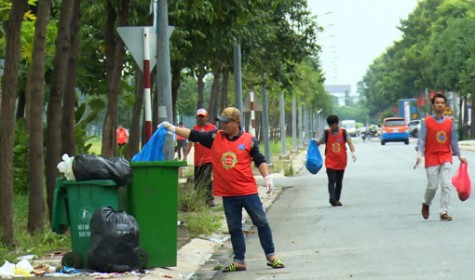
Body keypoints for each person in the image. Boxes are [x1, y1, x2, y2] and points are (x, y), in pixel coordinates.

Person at [160, 107, 284, 272]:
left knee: (261, 222)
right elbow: (194, 135)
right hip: (227, 194)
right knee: (234, 228)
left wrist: (267, 178)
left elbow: (260, 160)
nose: (223, 126)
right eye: (222, 122)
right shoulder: (215, 137)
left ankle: (271, 256)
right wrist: (173, 128)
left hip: (248, 191)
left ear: (236, 123)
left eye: (226, 122)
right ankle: (239, 260)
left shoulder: (249, 140)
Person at [416, 93, 467, 221]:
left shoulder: (449, 123)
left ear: (445, 105)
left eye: (442, 103)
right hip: (431, 156)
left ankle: (443, 211)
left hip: (445, 155)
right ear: (433, 105)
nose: (440, 105)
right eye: (437, 102)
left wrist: (459, 155)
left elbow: (453, 141)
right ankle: (426, 203)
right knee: (432, 186)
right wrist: (419, 153)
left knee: (446, 185)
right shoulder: (426, 122)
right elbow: (421, 140)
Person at [317, 115, 356, 207]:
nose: (331, 127)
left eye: (333, 125)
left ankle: (337, 199)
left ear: (336, 124)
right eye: (330, 126)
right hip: (330, 162)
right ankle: (332, 198)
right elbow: (319, 142)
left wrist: (353, 152)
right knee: (331, 180)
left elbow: (350, 142)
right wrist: (313, 145)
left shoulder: (343, 132)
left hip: (341, 162)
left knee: (339, 181)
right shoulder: (326, 133)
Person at [184, 109, 217, 207]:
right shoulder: (194, 129)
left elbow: (217, 142)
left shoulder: (212, 128)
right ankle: (199, 199)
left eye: (203, 117)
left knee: (206, 177)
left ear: (207, 117)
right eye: (199, 117)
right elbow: (189, 144)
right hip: (198, 160)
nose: (201, 119)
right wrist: (185, 156)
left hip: (209, 158)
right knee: (198, 181)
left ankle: (209, 199)